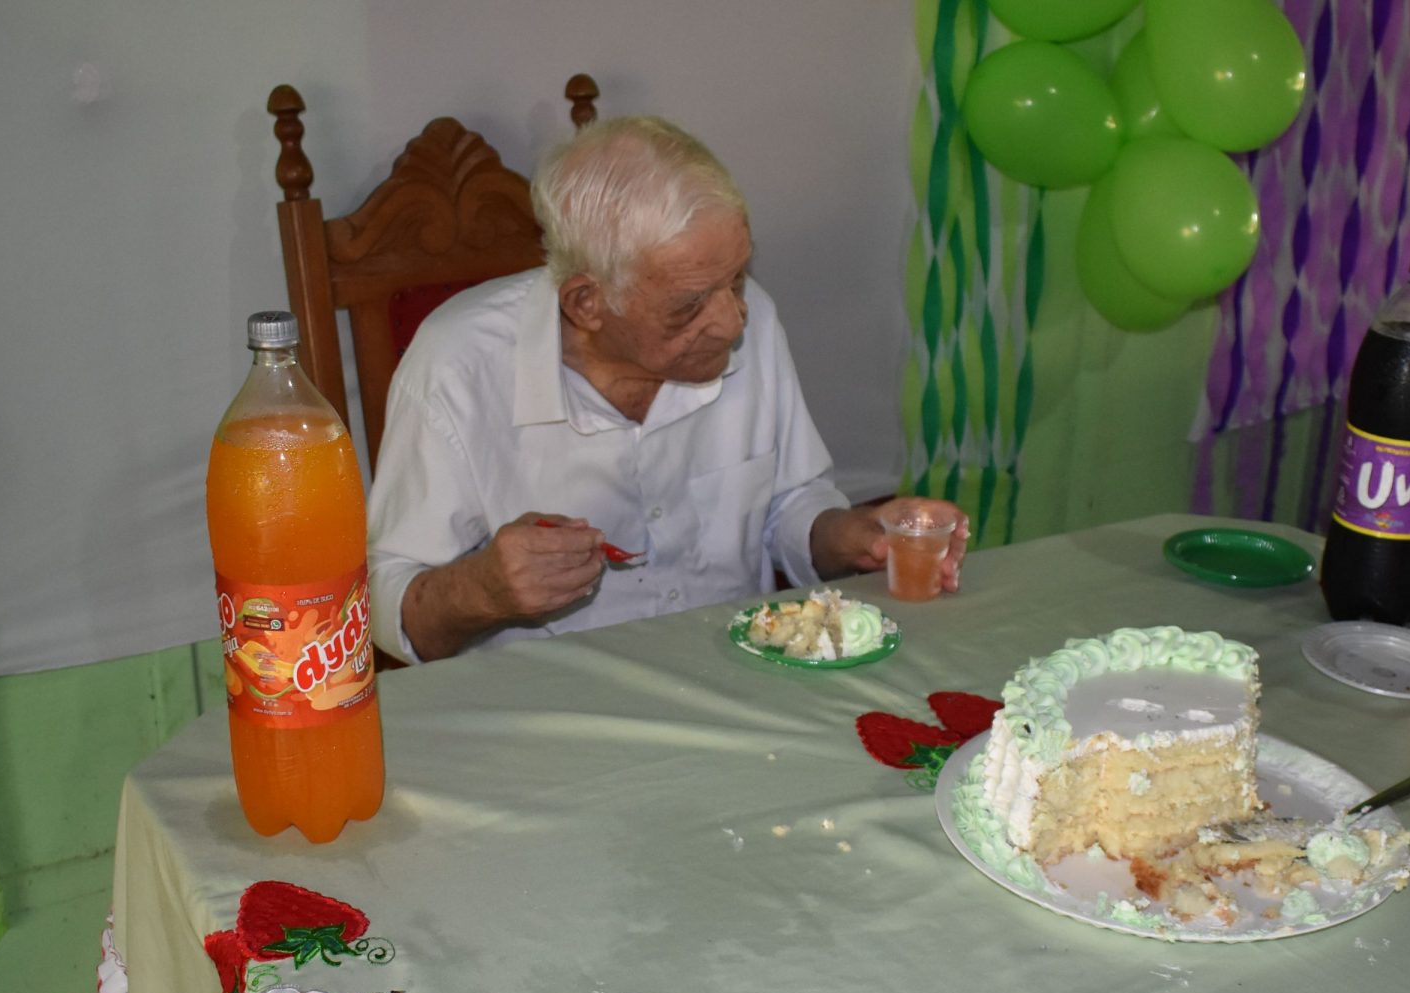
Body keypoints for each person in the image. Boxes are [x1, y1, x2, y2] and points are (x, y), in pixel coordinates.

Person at [367, 115, 967, 663]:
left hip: (744, 672)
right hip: (551, 705)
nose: (732, 321)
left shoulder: (750, 315)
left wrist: (857, 536)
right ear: (587, 303)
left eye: (737, 278)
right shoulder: (459, 365)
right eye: (689, 305)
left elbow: (789, 505)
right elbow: (386, 598)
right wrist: (482, 590)